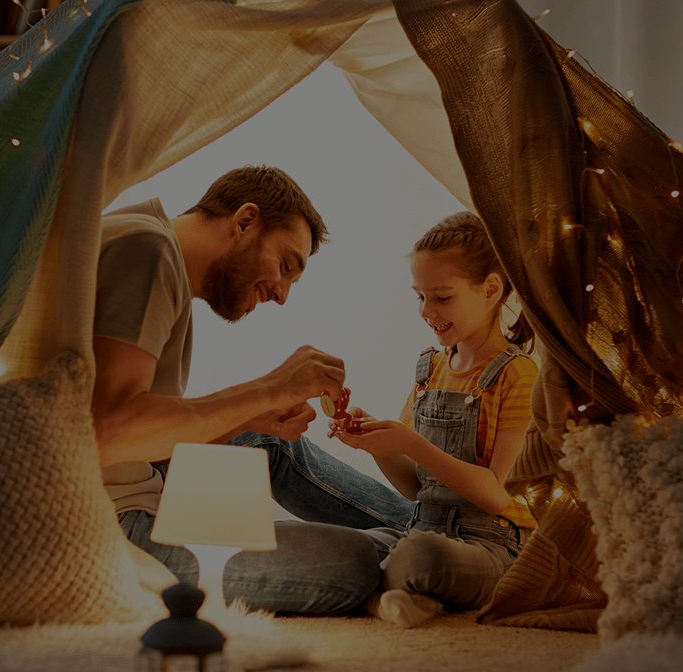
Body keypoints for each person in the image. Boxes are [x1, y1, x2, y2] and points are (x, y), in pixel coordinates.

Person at [90, 165, 412, 615]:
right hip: (114, 524)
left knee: (263, 440)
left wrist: (252, 417)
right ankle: (433, 546)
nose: (281, 296)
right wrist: (271, 387)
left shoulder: (148, 241)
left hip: (137, 484)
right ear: (244, 221)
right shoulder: (148, 251)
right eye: (285, 265)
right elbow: (108, 433)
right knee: (353, 563)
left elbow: (126, 433)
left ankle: (431, 534)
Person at [331, 212, 539, 628]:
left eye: (442, 297)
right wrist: (377, 444)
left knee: (420, 556)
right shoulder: (430, 368)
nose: (427, 311)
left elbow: (499, 495)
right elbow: (415, 487)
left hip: (490, 546)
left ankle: (372, 598)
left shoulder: (518, 374)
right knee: (331, 547)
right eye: (419, 296)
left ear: (491, 289)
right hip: (419, 528)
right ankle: (389, 593)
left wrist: (411, 443)